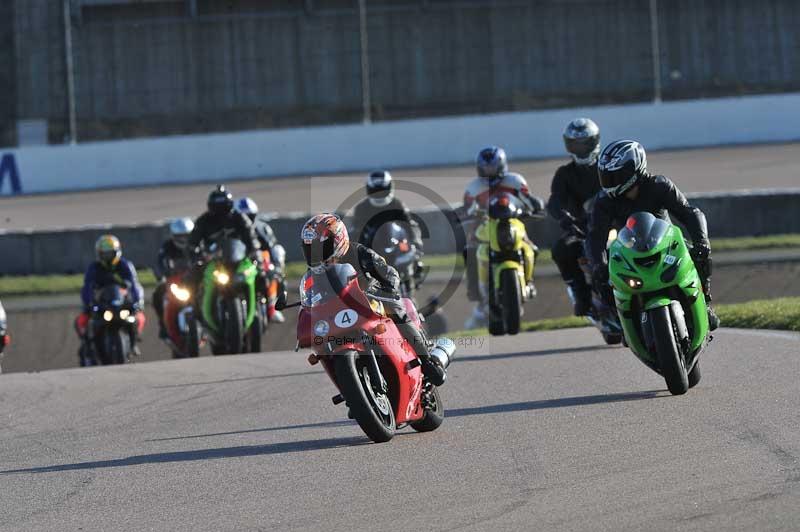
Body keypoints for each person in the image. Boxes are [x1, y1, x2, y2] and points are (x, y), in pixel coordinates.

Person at [586, 139, 720, 330]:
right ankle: (623, 321)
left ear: (633, 169)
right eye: (606, 176)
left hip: (667, 245)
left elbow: (690, 213)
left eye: (615, 176)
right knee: (601, 279)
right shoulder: (603, 202)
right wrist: (598, 264)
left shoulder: (659, 185)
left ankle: (705, 301)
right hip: (629, 253)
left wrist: (702, 241)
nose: (609, 183)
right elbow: (594, 236)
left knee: (699, 254)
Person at [301, 213, 446, 386]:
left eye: (322, 248)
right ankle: (349, 387)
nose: (317, 254)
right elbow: (311, 295)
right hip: (339, 313)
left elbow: (388, 271)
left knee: (397, 310)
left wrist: (387, 287)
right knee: (322, 341)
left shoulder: (358, 252)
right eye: (311, 249)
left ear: (339, 239)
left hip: (372, 301)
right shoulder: (315, 275)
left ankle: (427, 360)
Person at [461, 146, 546, 329]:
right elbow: (465, 208)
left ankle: (529, 281)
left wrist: (534, 207)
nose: (489, 172)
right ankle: (475, 291)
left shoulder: (515, 181)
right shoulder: (473, 188)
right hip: (484, 226)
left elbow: (528, 200)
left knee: (533, 248)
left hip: (512, 222)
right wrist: (465, 215)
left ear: (501, 166)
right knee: (469, 250)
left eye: (492, 168)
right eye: (485, 168)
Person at [547, 118, 602, 316]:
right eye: (575, 144)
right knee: (560, 250)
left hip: (614, 223)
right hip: (582, 228)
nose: (580, 148)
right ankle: (581, 294)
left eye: (584, 143)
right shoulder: (564, 174)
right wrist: (565, 219)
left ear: (594, 142)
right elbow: (555, 201)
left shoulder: (608, 166)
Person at [75, 235, 146, 365]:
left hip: (122, 303)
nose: (107, 257)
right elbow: (87, 288)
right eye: (104, 254)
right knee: (82, 321)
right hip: (102, 304)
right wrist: (89, 304)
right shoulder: (94, 268)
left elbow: (135, 285)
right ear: (99, 254)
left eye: (110, 253)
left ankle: (134, 341)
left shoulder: (125, 265)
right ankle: (88, 347)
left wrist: (137, 302)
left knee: (139, 317)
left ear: (116, 252)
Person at [185, 185, 264, 299]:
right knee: (191, 280)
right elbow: (192, 244)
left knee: (262, 274)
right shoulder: (203, 221)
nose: (221, 213)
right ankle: (195, 308)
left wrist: (254, 251)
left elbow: (251, 236)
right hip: (213, 262)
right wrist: (196, 257)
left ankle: (265, 304)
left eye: (223, 207)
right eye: (217, 208)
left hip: (240, 260)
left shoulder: (239, 218)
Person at [234, 196, 287, 323]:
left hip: (260, 262)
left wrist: (275, 265)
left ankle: (272, 307)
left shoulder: (262, 227)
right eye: (242, 216)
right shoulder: (229, 228)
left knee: (276, 255)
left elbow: (272, 246)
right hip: (238, 264)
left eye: (249, 216)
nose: (246, 220)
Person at [152, 217, 195, 339]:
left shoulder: (197, 246)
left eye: (186, 236)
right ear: (174, 236)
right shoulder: (167, 247)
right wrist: (162, 274)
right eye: (180, 236)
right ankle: (163, 324)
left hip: (194, 280)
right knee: (158, 293)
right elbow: (159, 263)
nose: (184, 239)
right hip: (176, 280)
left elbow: (204, 260)